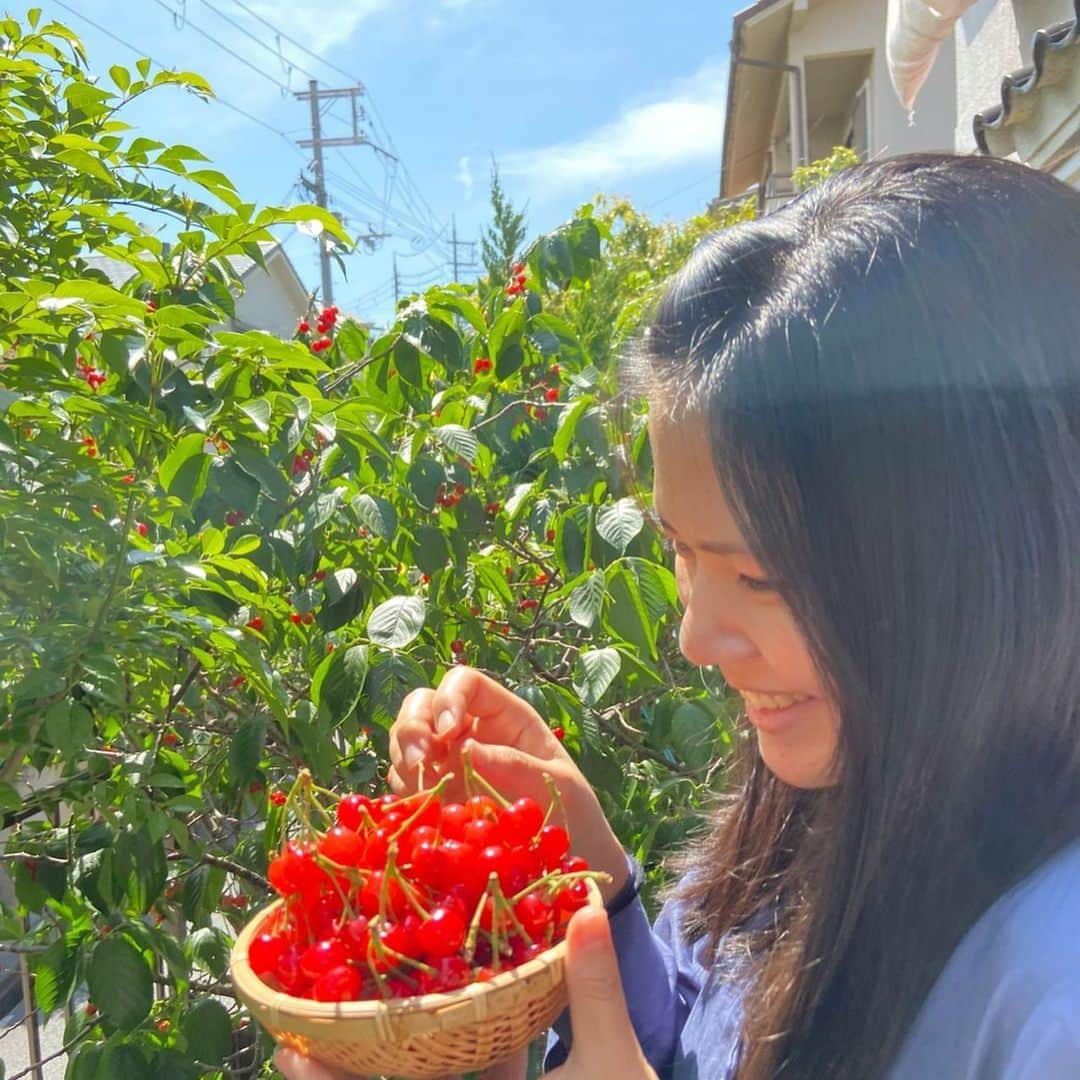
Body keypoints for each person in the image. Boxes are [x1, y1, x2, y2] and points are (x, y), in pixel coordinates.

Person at [276, 153, 1080, 1080]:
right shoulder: (831, 801)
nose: (696, 638)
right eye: (682, 552)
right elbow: (705, 1046)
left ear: (1003, 554)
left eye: (763, 574)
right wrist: (595, 888)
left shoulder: (1053, 993)